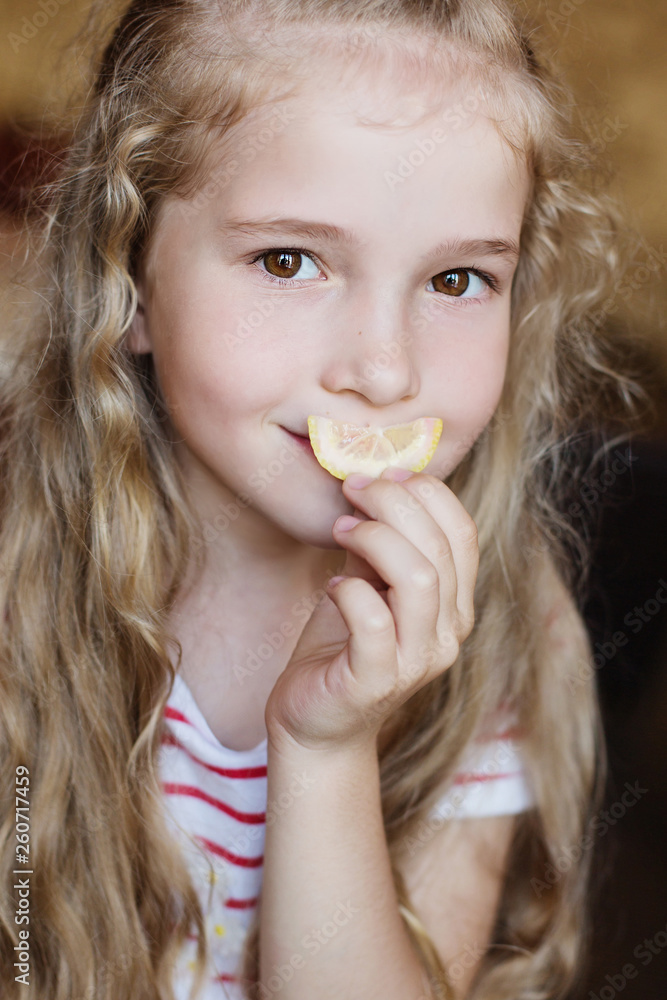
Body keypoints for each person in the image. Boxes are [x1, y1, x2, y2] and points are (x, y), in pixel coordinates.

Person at [0, 1, 649, 998]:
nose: (385, 371)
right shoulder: (18, 577)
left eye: (457, 279)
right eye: (288, 261)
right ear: (128, 278)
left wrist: (326, 752)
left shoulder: (496, 636)